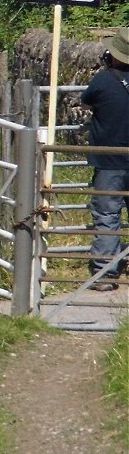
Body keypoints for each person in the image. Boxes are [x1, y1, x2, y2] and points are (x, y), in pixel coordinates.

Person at [79, 29, 129, 291]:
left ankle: (105, 273)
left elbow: (85, 101)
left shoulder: (102, 80)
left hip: (109, 160)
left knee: (108, 214)